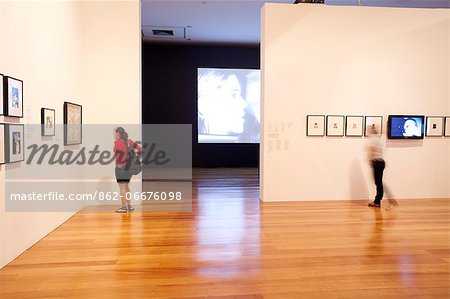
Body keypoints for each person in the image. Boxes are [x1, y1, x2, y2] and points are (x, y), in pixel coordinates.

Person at [113, 127, 142, 213]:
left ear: (118, 133)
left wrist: (120, 164)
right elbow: (140, 150)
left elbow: (118, 157)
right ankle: (129, 206)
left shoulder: (118, 142)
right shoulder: (129, 141)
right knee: (126, 187)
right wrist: (136, 159)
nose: (114, 134)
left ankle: (123, 207)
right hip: (129, 168)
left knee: (122, 188)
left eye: (114, 133)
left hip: (120, 169)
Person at [366, 127, 385, 208]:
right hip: (381, 162)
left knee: (378, 183)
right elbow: (381, 151)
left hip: (377, 162)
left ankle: (377, 201)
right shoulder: (378, 139)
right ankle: (378, 201)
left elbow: (372, 149)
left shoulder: (372, 138)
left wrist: (371, 159)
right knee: (379, 183)